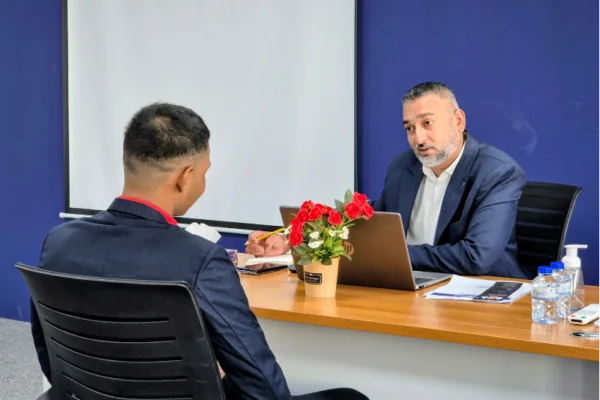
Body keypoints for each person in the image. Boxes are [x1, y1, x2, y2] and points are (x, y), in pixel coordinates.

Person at [30, 103, 368, 400]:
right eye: (204, 173)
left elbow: (50, 358)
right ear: (185, 177)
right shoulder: (200, 260)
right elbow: (264, 390)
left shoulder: (58, 242)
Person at [247, 82, 527, 279]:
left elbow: (476, 257)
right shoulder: (404, 166)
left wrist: (394, 255)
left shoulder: (496, 172)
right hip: (412, 288)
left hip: (483, 298)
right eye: (409, 128)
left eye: (427, 123)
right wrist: (291, 240)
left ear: (458, 121)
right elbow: (366, 225)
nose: (418, 138)